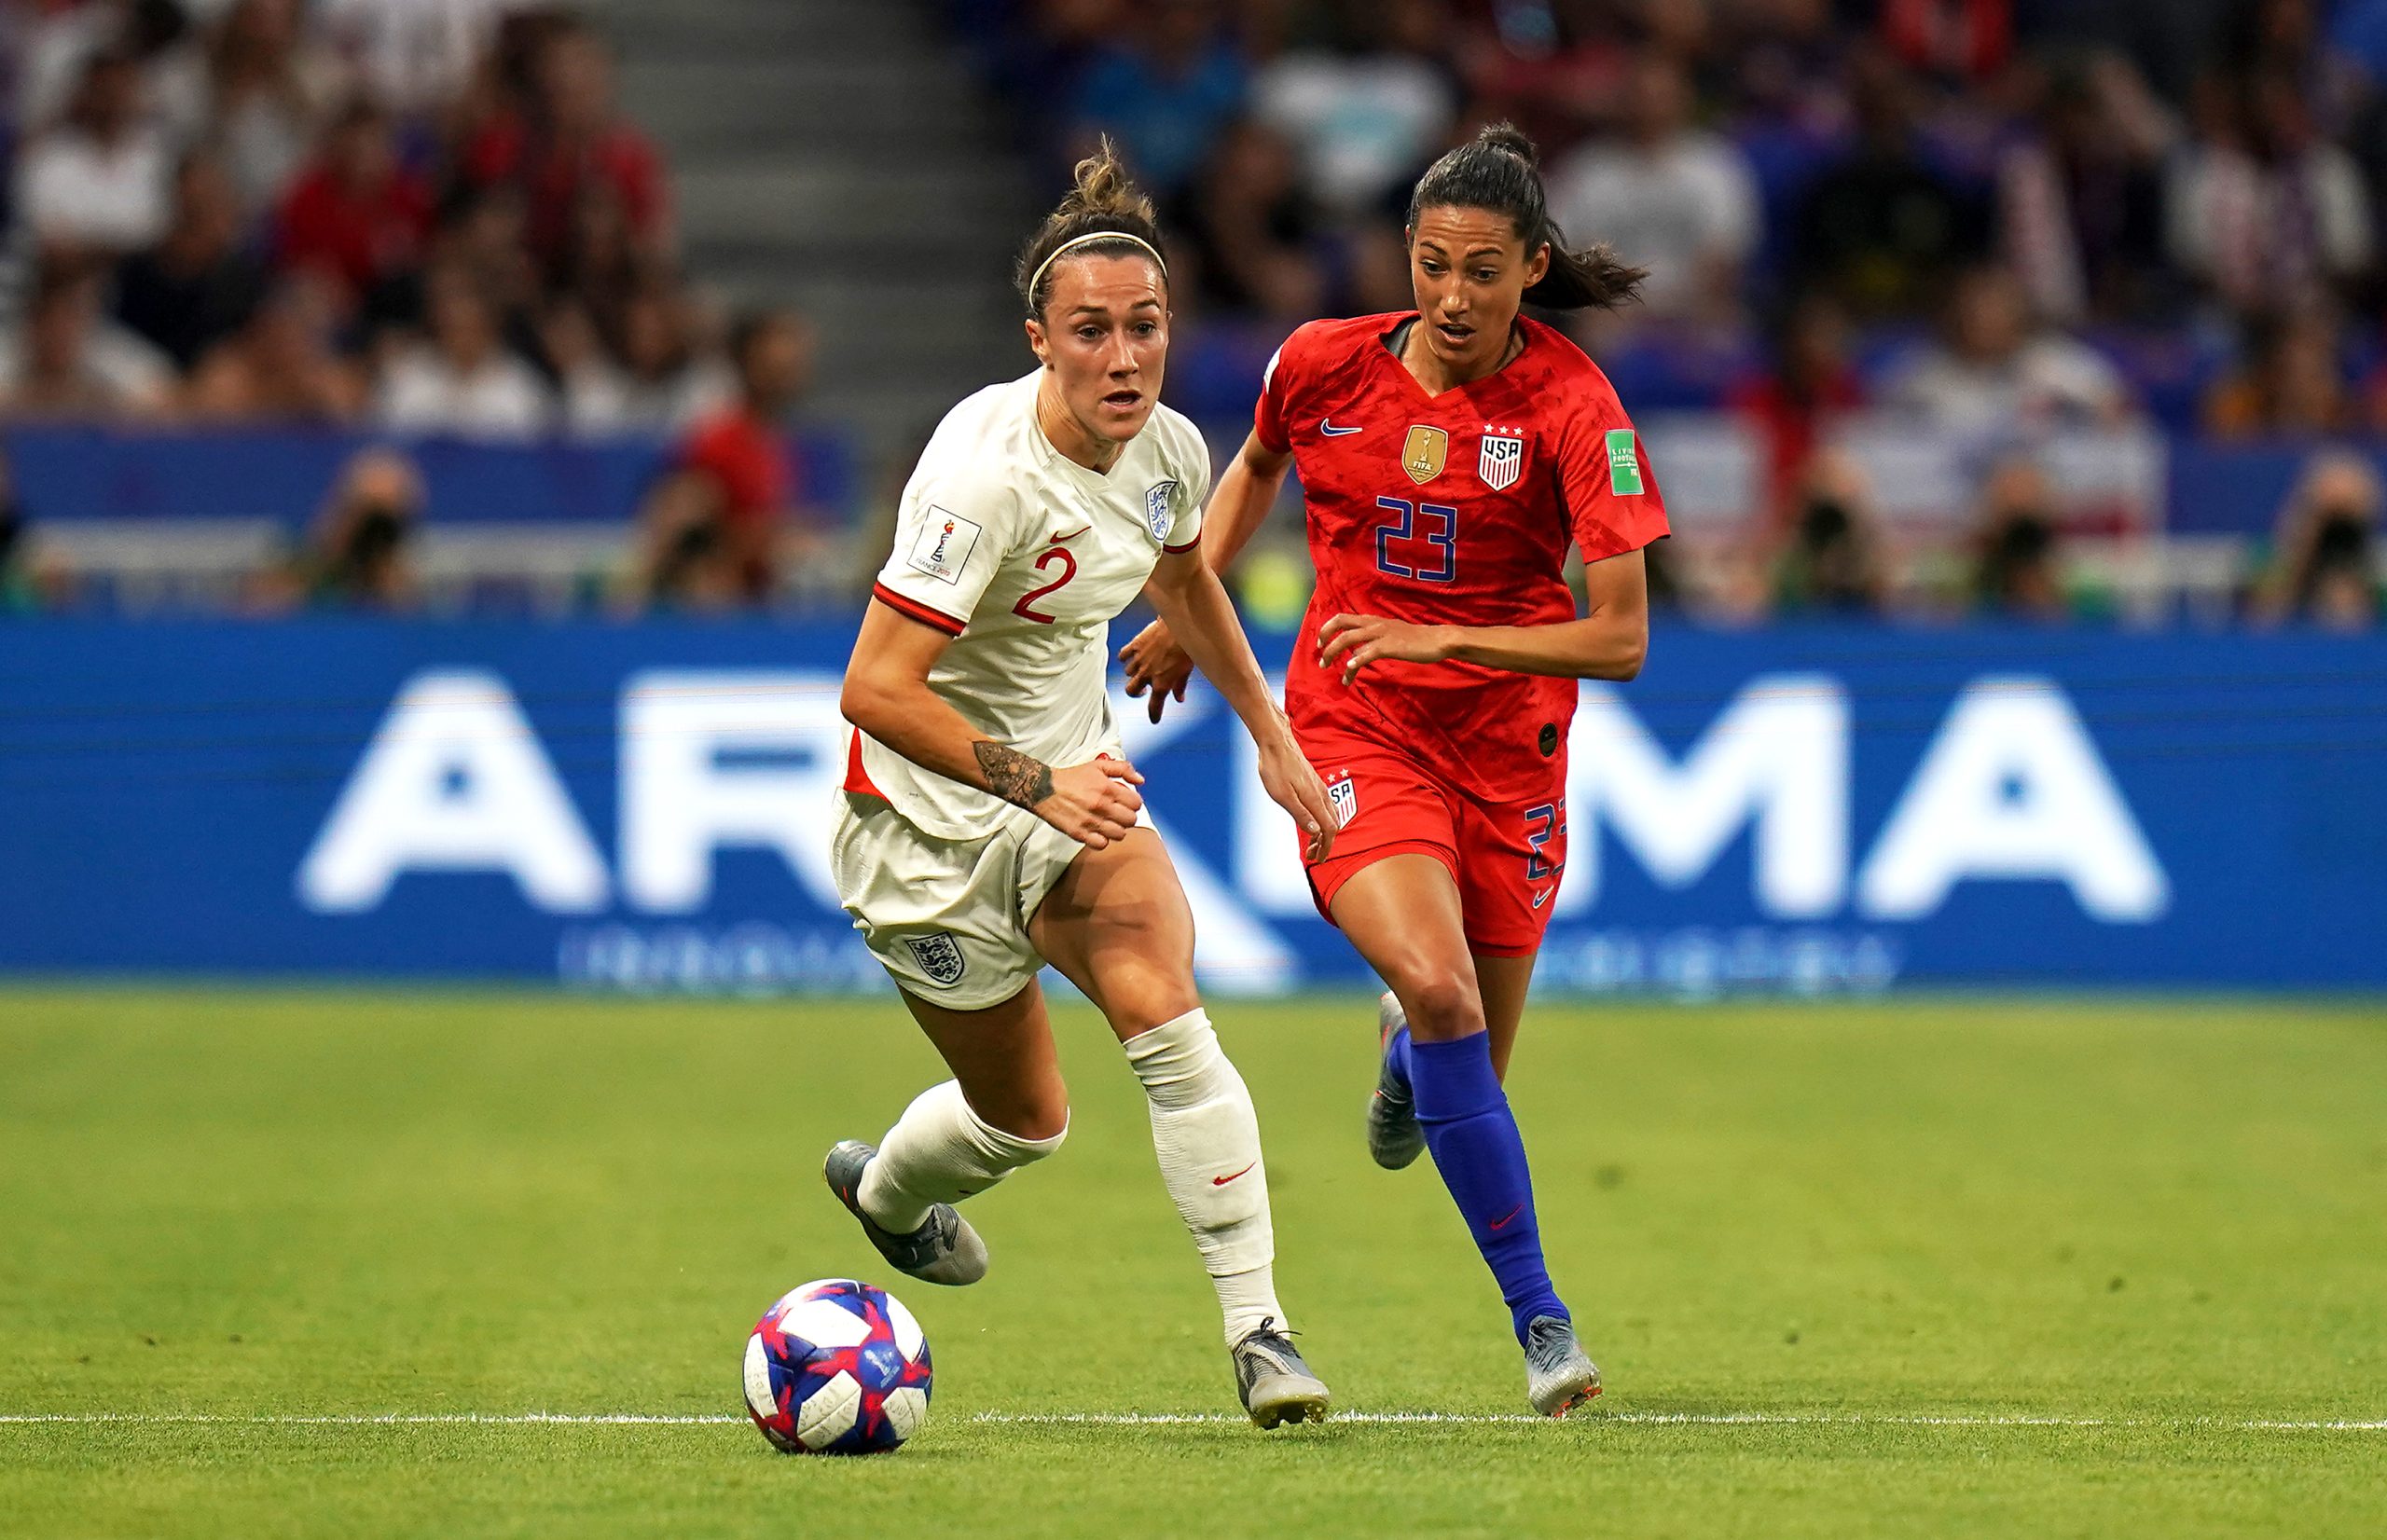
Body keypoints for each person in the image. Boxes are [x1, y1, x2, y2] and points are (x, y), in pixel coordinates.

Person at [1122, 123, 1670, 1417]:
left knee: (1463, 1056)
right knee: (1440, 989)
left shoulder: (1578, 408)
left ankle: (1404, 1061)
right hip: (1355, 726)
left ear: (1533, 268)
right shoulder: (1321, 365)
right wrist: (1185, 604)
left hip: (1511, 758)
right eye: (1432, 264)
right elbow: (1256, 465)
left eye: (1483, 270)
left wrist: (1447, 631)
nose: (1453, 296)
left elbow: (1625, 636)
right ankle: (1545, 1325)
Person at [827, 144, 1343, 1429]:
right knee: (1025, 1123)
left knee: (1168, 1015)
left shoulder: (1170, 445)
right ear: (1041, 343)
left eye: (1147, 329)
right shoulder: (980, 478)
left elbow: (1182, 578)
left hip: (1074, 807)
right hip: (925, 831)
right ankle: (887, 1195)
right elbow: (876, 688)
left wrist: (1270, 734)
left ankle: (1261, 1333)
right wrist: (1034, 782)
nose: (1125, 358)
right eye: (1093, 333)